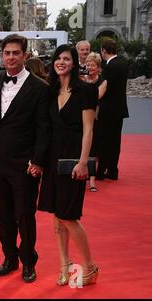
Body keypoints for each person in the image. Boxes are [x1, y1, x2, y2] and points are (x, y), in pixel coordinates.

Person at [0, 34, 50, 283]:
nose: (11, 57)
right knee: (2, 215)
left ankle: (28, 262)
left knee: (24, 215)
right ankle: (9, 258)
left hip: (24, 165)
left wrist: (38, 161)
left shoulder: (39, 88)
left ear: (25, 55)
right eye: (7, 53)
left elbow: (44, 127)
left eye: (16, 53)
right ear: (1, 56)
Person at [38, 44, 99, 286]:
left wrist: (84, 161)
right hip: (53, 160)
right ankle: (64, 265)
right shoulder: (51, 91)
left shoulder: (85, 90)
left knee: (68, 215)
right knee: (57, 216)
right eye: (58, 58)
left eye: (66, 58)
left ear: (74, 62)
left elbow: (88, 129)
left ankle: (90, 266)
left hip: (74, 161)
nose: (61, 62)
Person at [97, 38, 129, 181]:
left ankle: (101, 171)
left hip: (108, 110)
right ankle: (113, 170)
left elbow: (104, 88)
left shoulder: (109, 67)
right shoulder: (123, 63)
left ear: (104, 51)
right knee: (115, 141)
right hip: (119, 109)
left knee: (104, 140)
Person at [83, 52, 107, 192]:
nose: (90, 67)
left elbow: (96, 96)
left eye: (92, 65)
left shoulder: (103, 81)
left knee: (94, 149)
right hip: (80, 117)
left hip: (96, 118)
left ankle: (92, 181)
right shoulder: (81, 79)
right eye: (88, 65)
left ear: (99, 68)